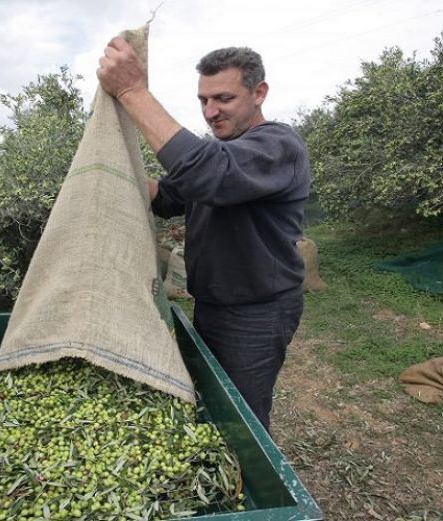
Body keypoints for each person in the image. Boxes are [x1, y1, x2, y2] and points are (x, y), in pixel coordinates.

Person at [97, 37, 311, 433]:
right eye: (203, 100)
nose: (211, 112)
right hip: (213, 303)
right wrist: (108, 170)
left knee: (240, 417)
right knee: (213, 400)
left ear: (259, 93)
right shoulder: (221, 152)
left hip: (258, 313)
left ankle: (252, 485)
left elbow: (209, 173)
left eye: (224, 99)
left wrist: (132, 91)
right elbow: (169, 196)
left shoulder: (278, 147)